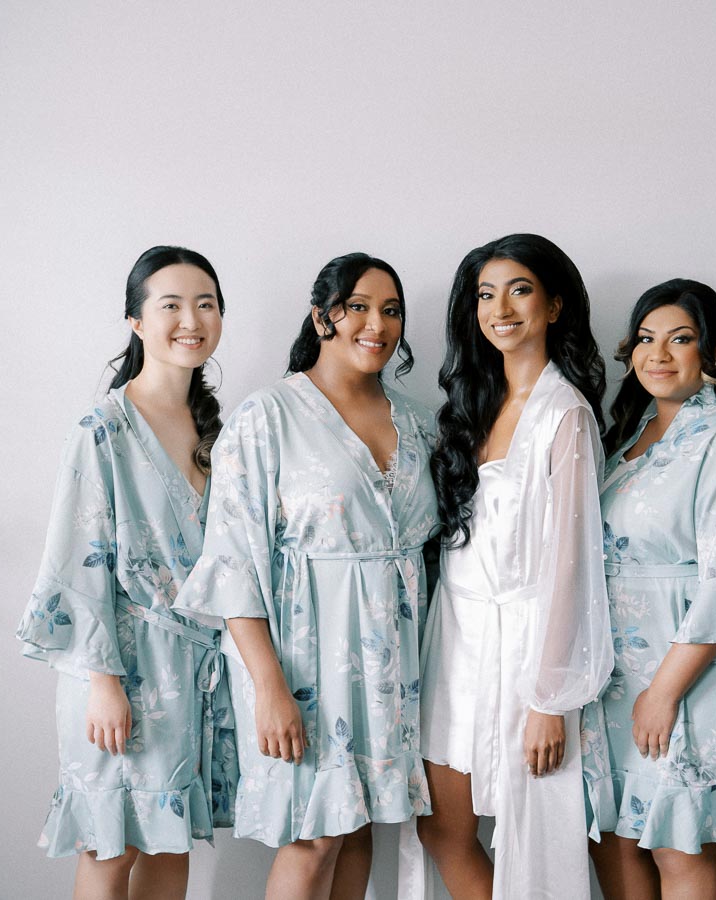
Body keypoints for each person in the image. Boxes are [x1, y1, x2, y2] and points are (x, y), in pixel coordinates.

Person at [174, 253, 437, 900]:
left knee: (356, 830)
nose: (377, 324)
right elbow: (234, 562)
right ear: (322, 316)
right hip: (303, 661)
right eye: (358, 307)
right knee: (314, 835)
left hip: (392, 666)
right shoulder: (267, 419)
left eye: (391, 309)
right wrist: (268, 687)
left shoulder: (420, 422)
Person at [17, 246, 236, 899]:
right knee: (111, 845)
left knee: (171, 844)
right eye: (170, 304)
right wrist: (104, 684)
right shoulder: (102, 430)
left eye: (206, 303)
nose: (191, 319)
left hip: (192, 671)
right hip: (119, 669)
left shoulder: (217, 430)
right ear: (136, 321)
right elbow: (77, 561)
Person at [584, 280, 716, 900]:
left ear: (713, 350)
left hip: (687, 669)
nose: (659, 353)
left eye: (680, 339)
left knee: (680, 845)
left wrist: (665, 690)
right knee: (620, 835)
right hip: (616, 669)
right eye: (647, 339)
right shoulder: (629, 435)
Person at [419, 233, 613, 900]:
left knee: (533, 837)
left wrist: (548, 701)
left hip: (528, 647)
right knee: (441, 827)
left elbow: (569, 567)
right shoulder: (477, 405)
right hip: (456, 639)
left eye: (520, 289)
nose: (500, 307)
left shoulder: (567, 416)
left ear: (555, 305)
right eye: (484, 294)